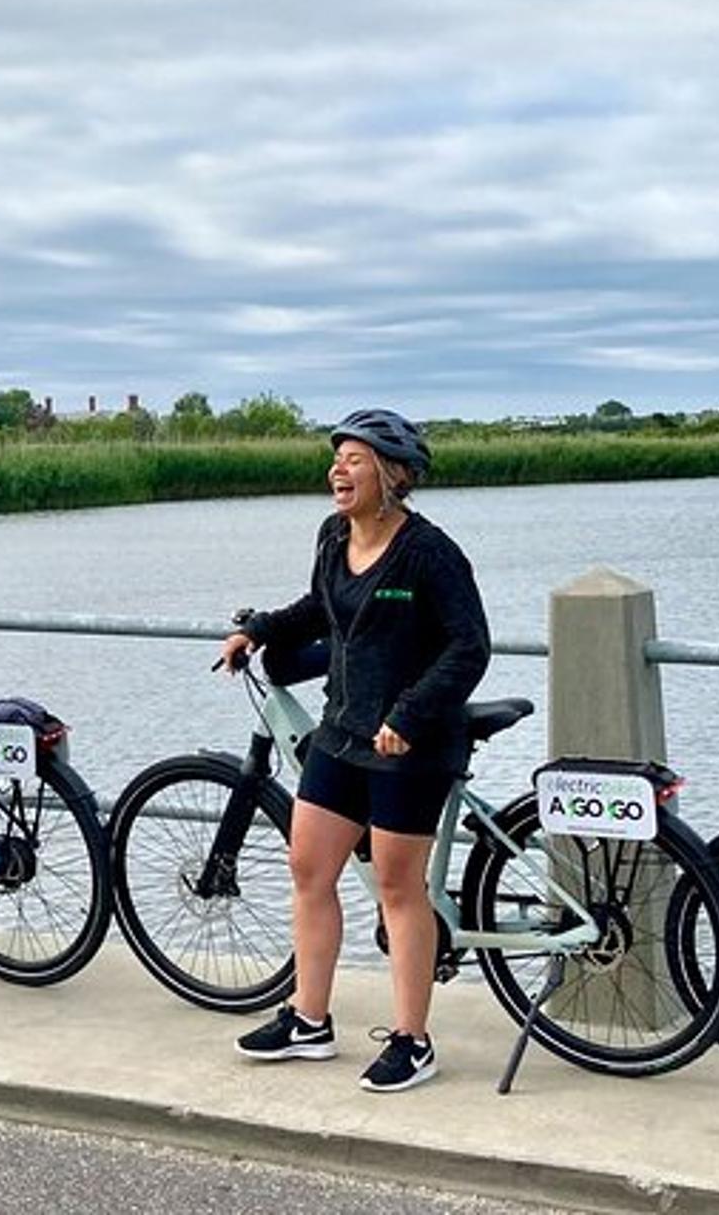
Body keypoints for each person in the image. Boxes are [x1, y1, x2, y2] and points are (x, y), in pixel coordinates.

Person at [224, 408, 490, 1092]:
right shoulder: (333, 534)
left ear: (392, 474)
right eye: (337, 457)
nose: (338, 469)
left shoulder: (428, 552)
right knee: (309, 867)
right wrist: (258, 629)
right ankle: (309, 1019)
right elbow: (320, 607)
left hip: (411, 742)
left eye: (355, 458)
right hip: (342, 733)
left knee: (400, 889)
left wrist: (410, 712)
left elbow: (470, 647)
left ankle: (413, 1038)